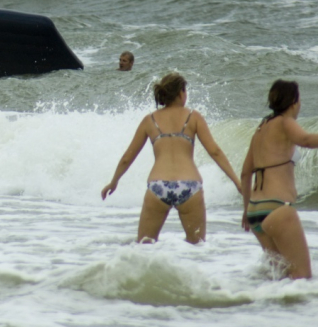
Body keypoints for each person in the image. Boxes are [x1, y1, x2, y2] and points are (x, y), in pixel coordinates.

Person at [240, 79, 318, 279]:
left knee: (279, 276)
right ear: (293, 102)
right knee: (302, 277)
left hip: (256, 210)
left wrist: (246, 210)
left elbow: (246, 173)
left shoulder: (261, 128)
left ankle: (264, 308)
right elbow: (306, 140)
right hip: (277, 208)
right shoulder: (285, 122)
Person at [101, 72, 241, 243]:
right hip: (189, 186)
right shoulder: (193, 117)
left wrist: (114, 181)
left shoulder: (149, 120)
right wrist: (236, 181)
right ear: (181, 93)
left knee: (144, 245)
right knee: (197, 248)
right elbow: (215, 151)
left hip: (158, 186)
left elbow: (127, 157)